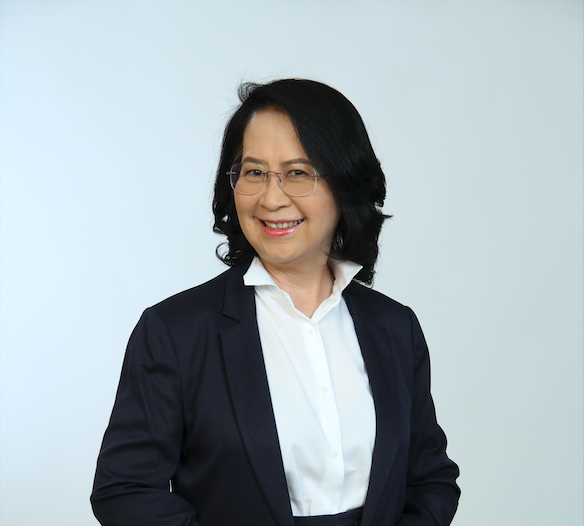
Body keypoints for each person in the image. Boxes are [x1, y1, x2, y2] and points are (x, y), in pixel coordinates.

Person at [91, 79, 460, 526]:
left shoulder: (395, 328)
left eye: (298, 172)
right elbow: (124, 490)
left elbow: (431, 479)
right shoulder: (175, 333)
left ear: (345, 182)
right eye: (253, 172)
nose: (271, 197)